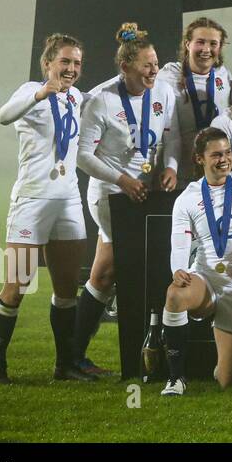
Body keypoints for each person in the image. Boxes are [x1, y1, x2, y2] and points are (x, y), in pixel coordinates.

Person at [73, 23, 182, 375]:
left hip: (146, 193)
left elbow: (173, 136)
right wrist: (121, 178)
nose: (154, 70)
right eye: (146, 65)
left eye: (156, 63)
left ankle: (73, 355)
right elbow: (83, 156)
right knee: (119, 268)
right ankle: (128, 355)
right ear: (126, 67)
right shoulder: (100, 99)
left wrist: (172, 167)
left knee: (106, 273)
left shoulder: (163, 91)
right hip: (111, 194)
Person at [0, 33, 91, 384]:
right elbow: (3, 116)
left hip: (68, 201)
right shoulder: (29, 90)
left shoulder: (76, 96)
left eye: (76, 63)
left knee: (66, 288)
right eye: (65, 61)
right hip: (32, 201)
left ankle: (64, 366)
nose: (71, 68)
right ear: (48, 63)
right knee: (17, 286)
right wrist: (39, 94)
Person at [160, 128, 232, 395]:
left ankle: (224, 365)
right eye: (216, 154)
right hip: (206, 278)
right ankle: (176, 378)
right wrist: (178, 269)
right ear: (200, 159)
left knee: (229, 380)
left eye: (227, 153)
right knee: (175, 295)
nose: (224, 159)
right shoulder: (188, 197)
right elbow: (180, 242)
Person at [163, 18, 232, 177]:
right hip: (179, 173)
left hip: (216, 171)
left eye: (213, 44)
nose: (206, 49)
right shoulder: (168, 75)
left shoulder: (224, 75)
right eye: (200, 42)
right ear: (188, 44)